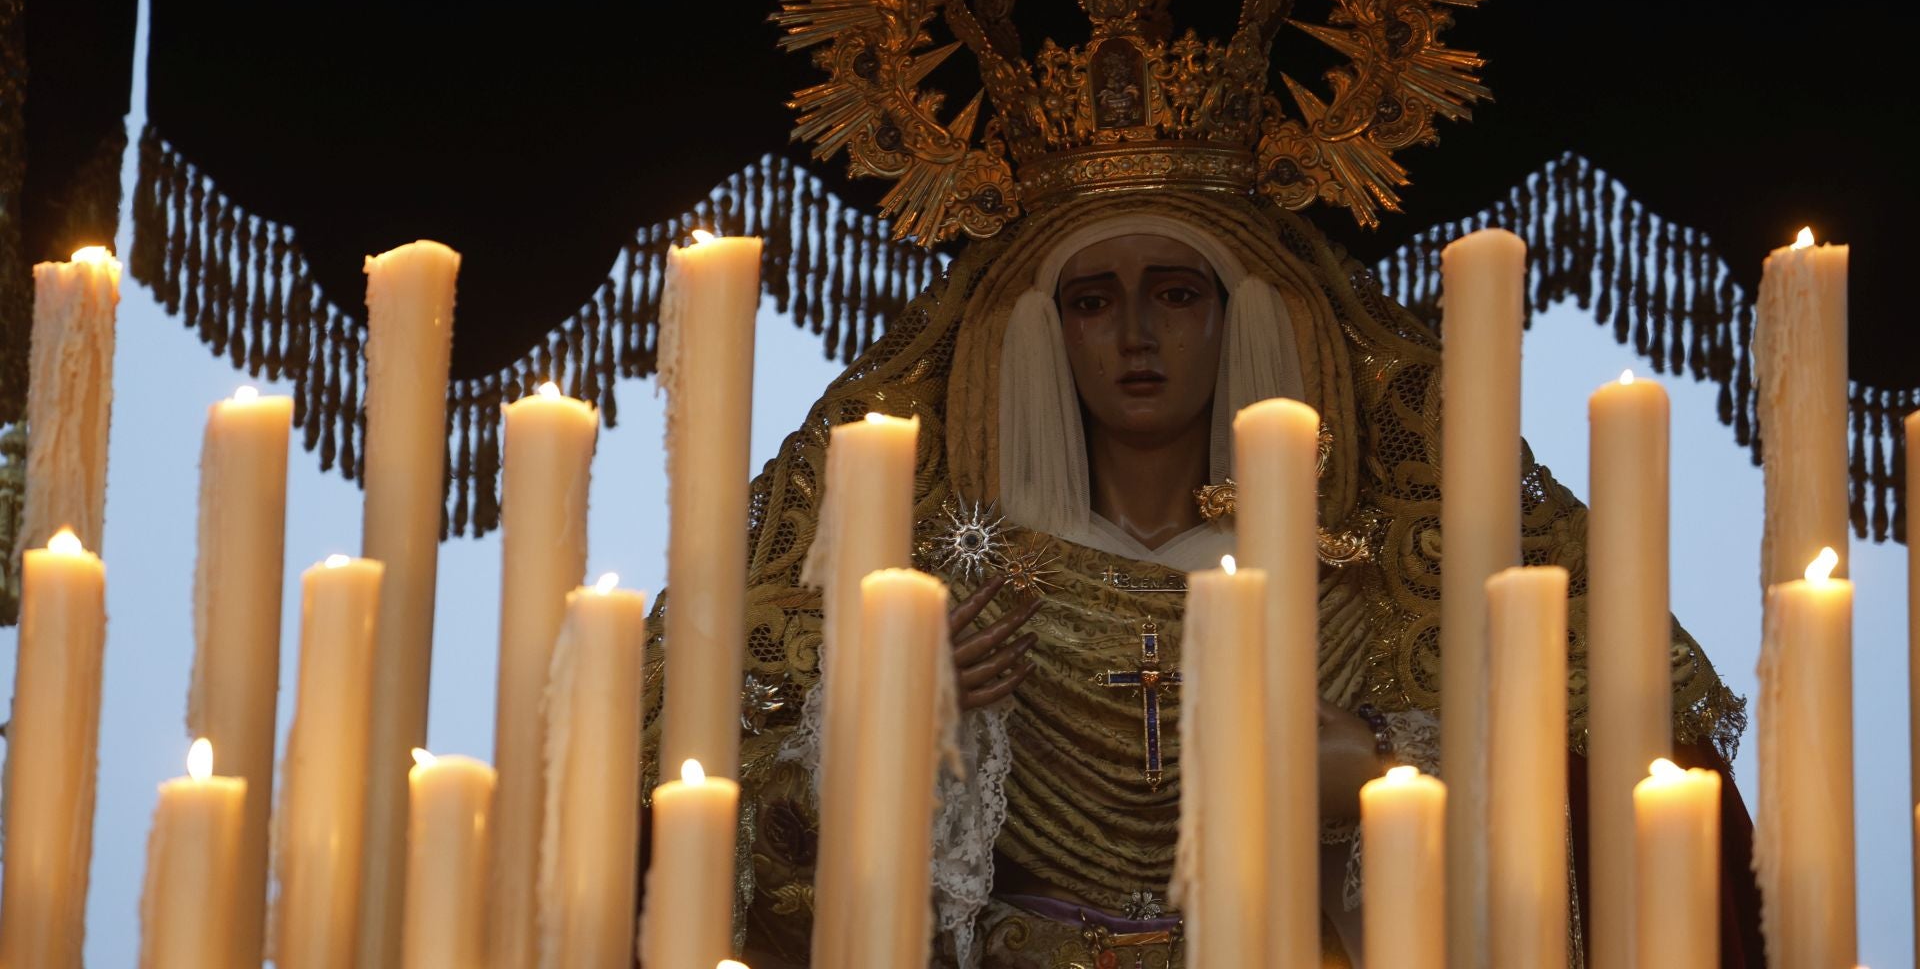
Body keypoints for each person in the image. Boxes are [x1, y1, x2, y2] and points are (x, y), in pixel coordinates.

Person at [637, 191, 1759, 968]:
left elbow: (1583, 801)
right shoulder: (947, 586)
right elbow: (749, 859)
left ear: (1240, 316)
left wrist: (1376, 765)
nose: (1134, 333)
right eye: (1093, 299)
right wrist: (899, 730)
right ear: (1044, 330)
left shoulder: (1358, 586)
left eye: (1176, 292)